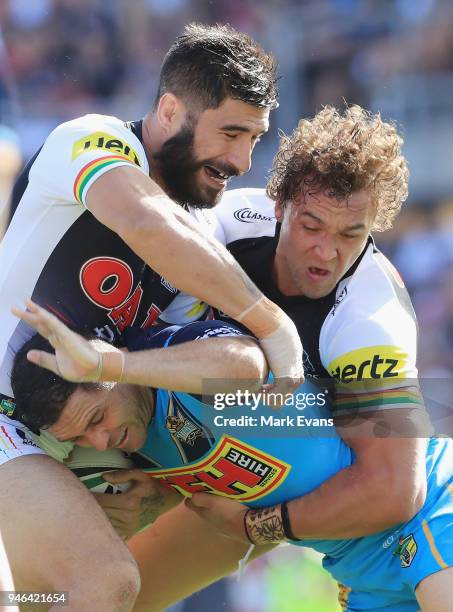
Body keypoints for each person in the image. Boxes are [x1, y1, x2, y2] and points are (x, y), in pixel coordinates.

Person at [0, 23, 303, 609]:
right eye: (231, 133)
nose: (242, 160)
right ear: (169, 108)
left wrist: (161, 489)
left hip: (77, 439)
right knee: (104, 584)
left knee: (54, 600)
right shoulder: (94, 139)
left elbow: (179, 377)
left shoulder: (197, 247)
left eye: (254, 139)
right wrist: (272, 323)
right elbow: (142, 220)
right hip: (5, 414)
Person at [12, 300, 453, 612]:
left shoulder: (175, 358)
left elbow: (245, 363)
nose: (102, 440)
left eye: (96, 418)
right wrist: (149, 503)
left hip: (431, 504)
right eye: (83, 438)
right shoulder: (133, 440)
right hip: (359, 571)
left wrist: (249, 527)